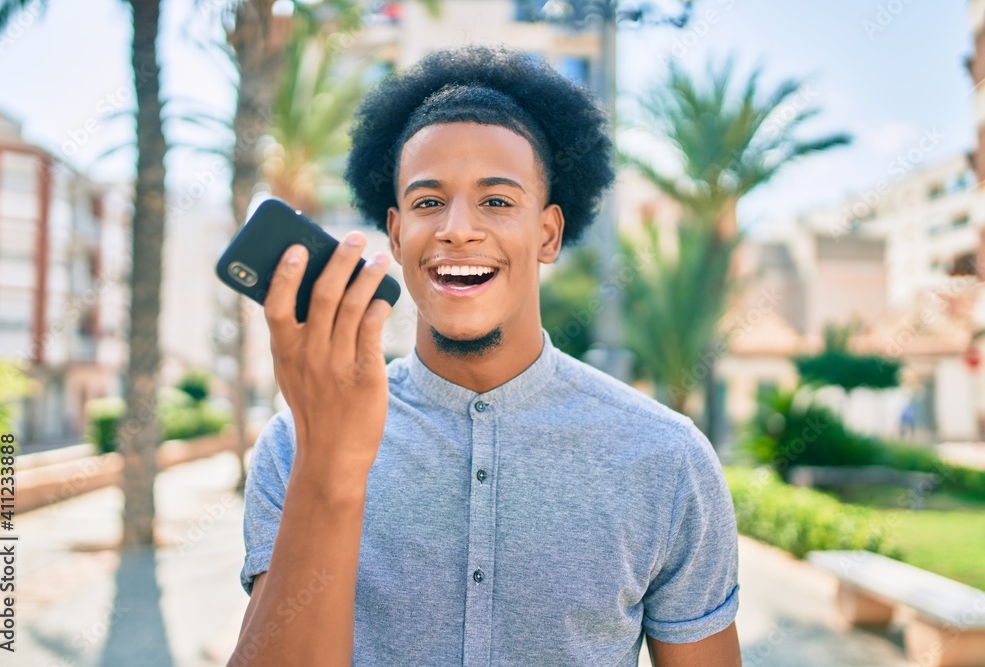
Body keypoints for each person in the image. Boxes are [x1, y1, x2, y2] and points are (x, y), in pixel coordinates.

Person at [230, 45, 741, 667]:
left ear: (548, 233)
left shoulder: (668, 458)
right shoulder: (293, 446)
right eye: (427, 202)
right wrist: (329, 465)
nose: (457, 228)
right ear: (395, 234)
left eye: (496, 201)